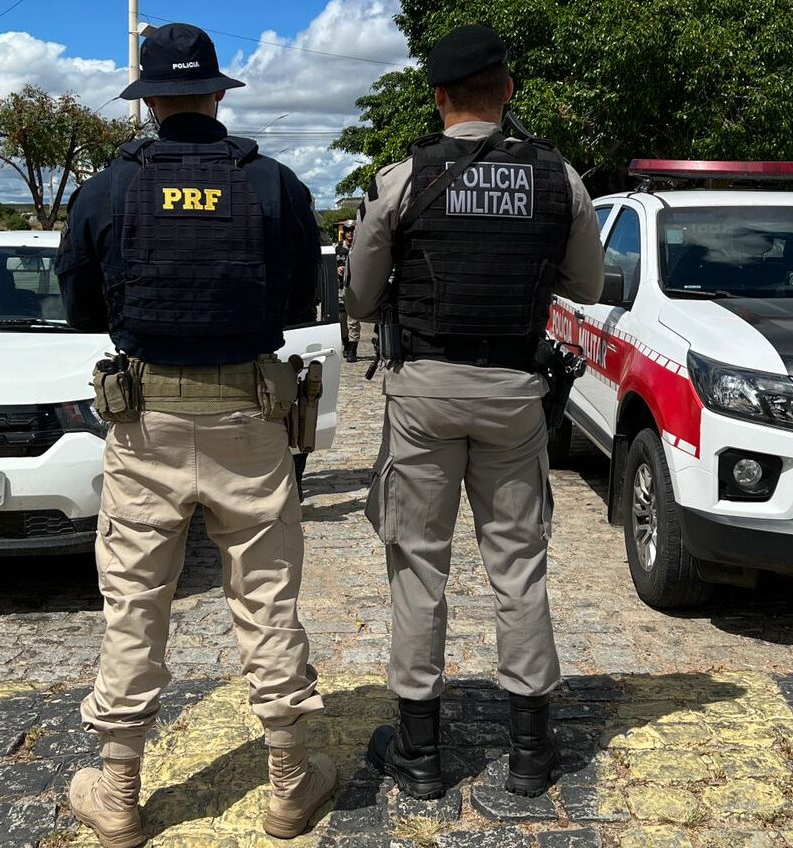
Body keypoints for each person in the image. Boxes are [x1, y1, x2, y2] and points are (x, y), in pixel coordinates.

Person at [56, 23, 335, 847]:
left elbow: (81, 308)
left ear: (149, 104)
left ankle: (118, 794)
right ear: (216, 93)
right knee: (267, 598)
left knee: (134, 604)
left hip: (144, 422)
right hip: (250, 417)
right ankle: (289, 785)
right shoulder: (274, 185)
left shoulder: (107, 190)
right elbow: (299, 301)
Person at [345, 24, 603, 801]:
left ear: (438, 97)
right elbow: (587, 287)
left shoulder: (404, 179)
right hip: (514, 392)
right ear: (509, 91)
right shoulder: (559, 179)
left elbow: (359, 297)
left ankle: (420, 754)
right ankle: (530, 753)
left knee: (418, 565)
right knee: (518, 564)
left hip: (424, 389)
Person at [336, 224, 361, 362]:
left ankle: (352, 350)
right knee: (341, 319)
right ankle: (346, 344)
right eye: (348, 231)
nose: (350, 233)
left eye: (352, 231)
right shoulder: (337, 248)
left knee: (354, 321)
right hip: (340, 289)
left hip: (354, 289)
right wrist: (337, 269)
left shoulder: (359, 248)